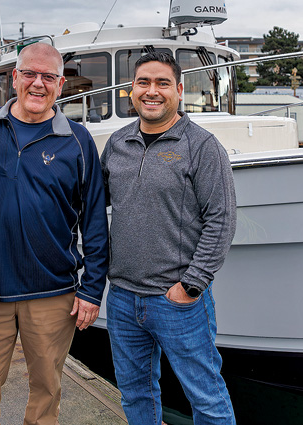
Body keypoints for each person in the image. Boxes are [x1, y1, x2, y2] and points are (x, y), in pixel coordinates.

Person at [0, 42, 108, 425]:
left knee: (46, 391)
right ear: (15, 78)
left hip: (53, 292)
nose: (38, 83)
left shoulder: (77, 141)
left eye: (48, 76)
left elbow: (95, 221)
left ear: (61, 85)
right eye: (29, 73)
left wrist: (92, 289)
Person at [100, 51, 237, 424]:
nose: (152, 91)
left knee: (206, 398)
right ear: (131, 91)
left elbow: (221, 220)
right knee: (135, 395)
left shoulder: (202, 146)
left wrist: (190, 286)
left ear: (178, 90)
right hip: (124, 300)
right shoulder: (117, 144)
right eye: (143, 82)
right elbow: (94, 206)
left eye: (162, 83)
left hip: (178, 301)